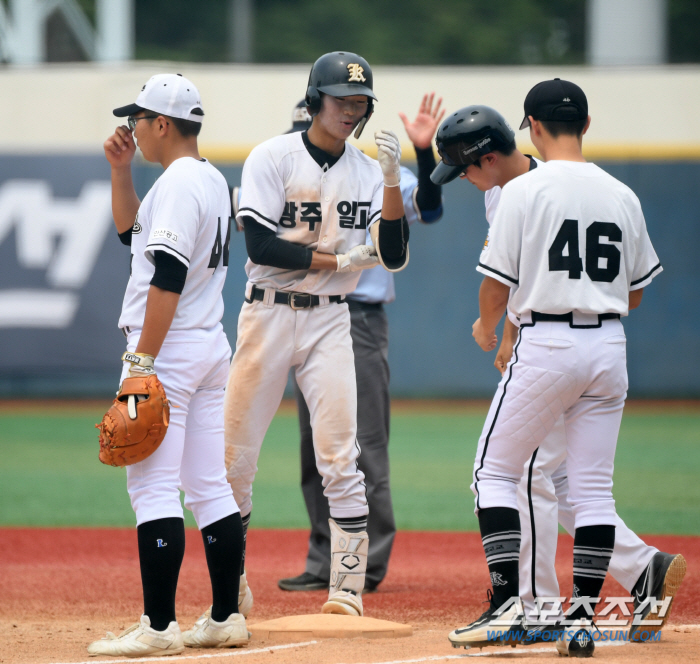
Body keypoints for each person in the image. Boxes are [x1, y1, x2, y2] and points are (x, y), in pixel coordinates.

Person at [432, 104, 686, 646]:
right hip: (605, 345)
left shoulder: (524, 193)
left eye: (466, 169)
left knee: (509, 472)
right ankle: (626, 581)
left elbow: (498, 285)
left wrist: (492, 325)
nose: (466, 181)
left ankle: (529, 605)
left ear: (527, 133)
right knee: (581, 486)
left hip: (549, 345)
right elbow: (634, 291)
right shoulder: (614, 190)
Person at [223, 51, 409, 618]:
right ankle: (227, 584)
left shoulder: (366, 171)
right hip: (268, 313)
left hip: (332, 317)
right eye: (341, 99)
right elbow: (258, 245)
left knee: (339, 455)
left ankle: (347, 590)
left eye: (360, 102)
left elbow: (394, 255)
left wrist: (394, 181)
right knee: (235, 458)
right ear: (313, 101)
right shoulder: (271, 157)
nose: (352, 110)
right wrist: (331, 259)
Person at [89, 73, 250, 657]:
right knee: (208, 485)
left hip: (171, 350)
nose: (132, 127)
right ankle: (226, 617)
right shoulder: (205, 178)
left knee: (153, 486)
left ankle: (158, 627)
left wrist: (140, 361)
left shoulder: (182, 183)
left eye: (138, 119)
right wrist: (120, 172)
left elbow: (168, 276)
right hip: (207, 346)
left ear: (162, 123)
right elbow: (135, 239)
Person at [278, 93, 445, 593]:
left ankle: (365, 563)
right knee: (314, 444)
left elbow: (429, 209)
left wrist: (422, 154)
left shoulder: (373, 173)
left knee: (364, 442)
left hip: (358, 319)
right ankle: (323, 556)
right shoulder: (288, 177)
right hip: (302, 314)